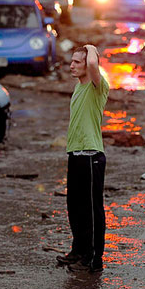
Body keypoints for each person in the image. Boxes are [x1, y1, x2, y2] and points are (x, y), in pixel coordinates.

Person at [56, 44, 110, 273]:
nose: (72, 65)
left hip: (91, 155)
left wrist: (90, 48)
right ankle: (79, 251)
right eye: (71, 61)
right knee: (75, 208)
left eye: (77, 62)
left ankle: (94, 258)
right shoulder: (78, 88)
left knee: (92, 210)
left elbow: (92, 64)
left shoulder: (98, 86)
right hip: (75, 154)